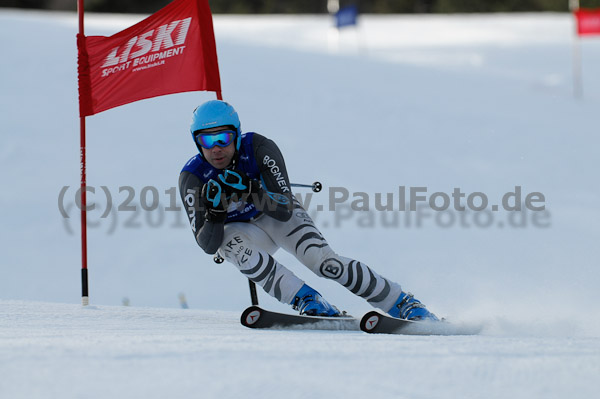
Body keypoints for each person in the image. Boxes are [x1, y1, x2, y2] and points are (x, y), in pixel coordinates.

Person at [178, 100, 438, 320]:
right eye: (206, 140)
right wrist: (213, 213)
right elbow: (208, 245)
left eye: (223, 137)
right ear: (196, 142)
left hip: (275, 217)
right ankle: (308, 300)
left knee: (322, 262)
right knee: (230, 245)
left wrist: (250, 190)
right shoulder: (193, 177)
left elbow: (283, 209)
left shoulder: (258, 148)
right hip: (244, 234)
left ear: (236, 133)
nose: (216, 148)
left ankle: (403, 303)